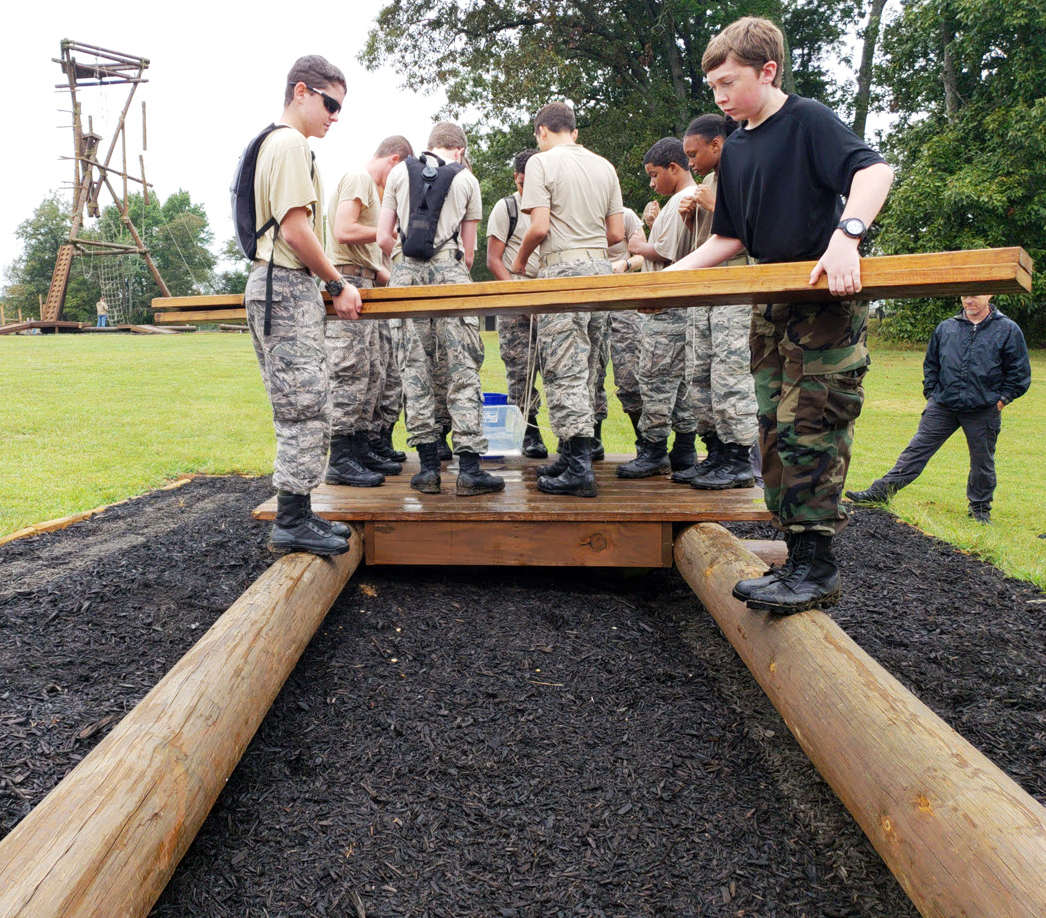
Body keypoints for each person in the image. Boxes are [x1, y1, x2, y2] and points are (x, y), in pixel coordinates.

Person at [665, 18, 895, 614]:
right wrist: (668, 280)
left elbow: (875, 171)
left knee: (811, 426)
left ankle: (818, 566)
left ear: (767, 71)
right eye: (713, 86)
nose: (720, 97)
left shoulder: (807, 120)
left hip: (823, 303)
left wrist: (847, 237)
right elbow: (729, 237)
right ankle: (796, 558)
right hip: (768, 305)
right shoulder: (737, 148)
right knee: (772, 429)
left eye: (729, 82)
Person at [245, 55, 362, 556]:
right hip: (285, 285)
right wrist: (337, 283)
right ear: (301, 92)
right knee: (305, 406)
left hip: (279, 285)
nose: (335, 116)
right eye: (330, 104)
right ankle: (292, 520)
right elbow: (295, 230)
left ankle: (301, 511)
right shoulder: (290, 143)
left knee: (303, 403)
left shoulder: (275, 143)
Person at [377, 122, 504, 497]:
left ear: (430, 145)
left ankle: (428, 470)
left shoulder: (399, 173)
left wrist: (405, 260)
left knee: (414, 370)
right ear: (460, 150)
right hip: (450, 273)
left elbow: (383, 237)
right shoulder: (467, 179)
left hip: (405, 276)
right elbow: (470, 251)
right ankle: (469, 471)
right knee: (462, 369)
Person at [512, 101, 625, 498]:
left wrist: (521, 261)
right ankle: (573, 453)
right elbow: (616, 233)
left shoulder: (541, 163)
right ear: (573, 130)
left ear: (542, 131)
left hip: (563, 271)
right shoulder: (605, 166)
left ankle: (578, 469)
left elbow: (539, 227)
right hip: (600, 269)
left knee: (564, 369)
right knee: (589, 367)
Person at [846, 294, 1031, 523]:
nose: (968, 300)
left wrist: (1002, 400)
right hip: (943, 405)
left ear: (988, 295)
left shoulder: (1007, 330)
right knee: (916, 451)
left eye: (974, 295)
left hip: (983, 408)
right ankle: (881, 492)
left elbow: (1019, 371)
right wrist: (932, 394)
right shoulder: (946, 327)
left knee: (982, 462)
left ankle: (980, 510)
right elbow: (931, 363)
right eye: (965, 295)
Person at [671, 114, 759, 490]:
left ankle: (739, 460)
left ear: (717, 145)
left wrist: (715, 203)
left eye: (694, 154)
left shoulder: (745, 173)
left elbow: (757, 229)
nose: (690, 162)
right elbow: (710, 239)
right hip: (704, 288)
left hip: (734, 286)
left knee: (730, 373)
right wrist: (694, 220)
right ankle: (716, 453)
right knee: (699, 374)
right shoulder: (708, 183)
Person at [324, 136, 413, 488]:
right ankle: (340, 458)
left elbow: (373, 259)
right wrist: (387, 232)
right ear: (394, 161)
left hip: (367, 283)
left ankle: (360, 449)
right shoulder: (359, 177)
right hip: (347, 282)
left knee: (372, 373)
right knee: (350, 373)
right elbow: (343, 230)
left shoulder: (373, 192)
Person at [617, 137, 699, 479]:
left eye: (654, 175)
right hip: (683, 307)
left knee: (654, 377)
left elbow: (666, 255)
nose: (652, 183)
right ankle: (685, 448)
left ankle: (653, 451)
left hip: (668, 309)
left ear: (673, 168)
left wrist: (637, 243)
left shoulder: (682, 199)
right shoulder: (685, 199)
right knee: (679, 383)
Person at [487, 148, 547, 458]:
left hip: (548, 294)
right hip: (515, 295)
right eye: (523, 183)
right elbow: (493, 260)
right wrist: (518, 296)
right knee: (520, 370)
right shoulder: (507, 208)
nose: (528, 189)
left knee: (560, 368)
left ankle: (575, 437)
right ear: (516, 179)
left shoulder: (550, 205)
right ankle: (530, 432)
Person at [600, 206, 646, 459]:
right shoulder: (579, 216)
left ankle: (646, 445)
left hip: (623, 304)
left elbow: (642, 255)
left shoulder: (626, 215)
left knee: (630, 377)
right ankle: (589, 442)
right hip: (590, 303)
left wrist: (625, 263)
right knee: (588, 375)